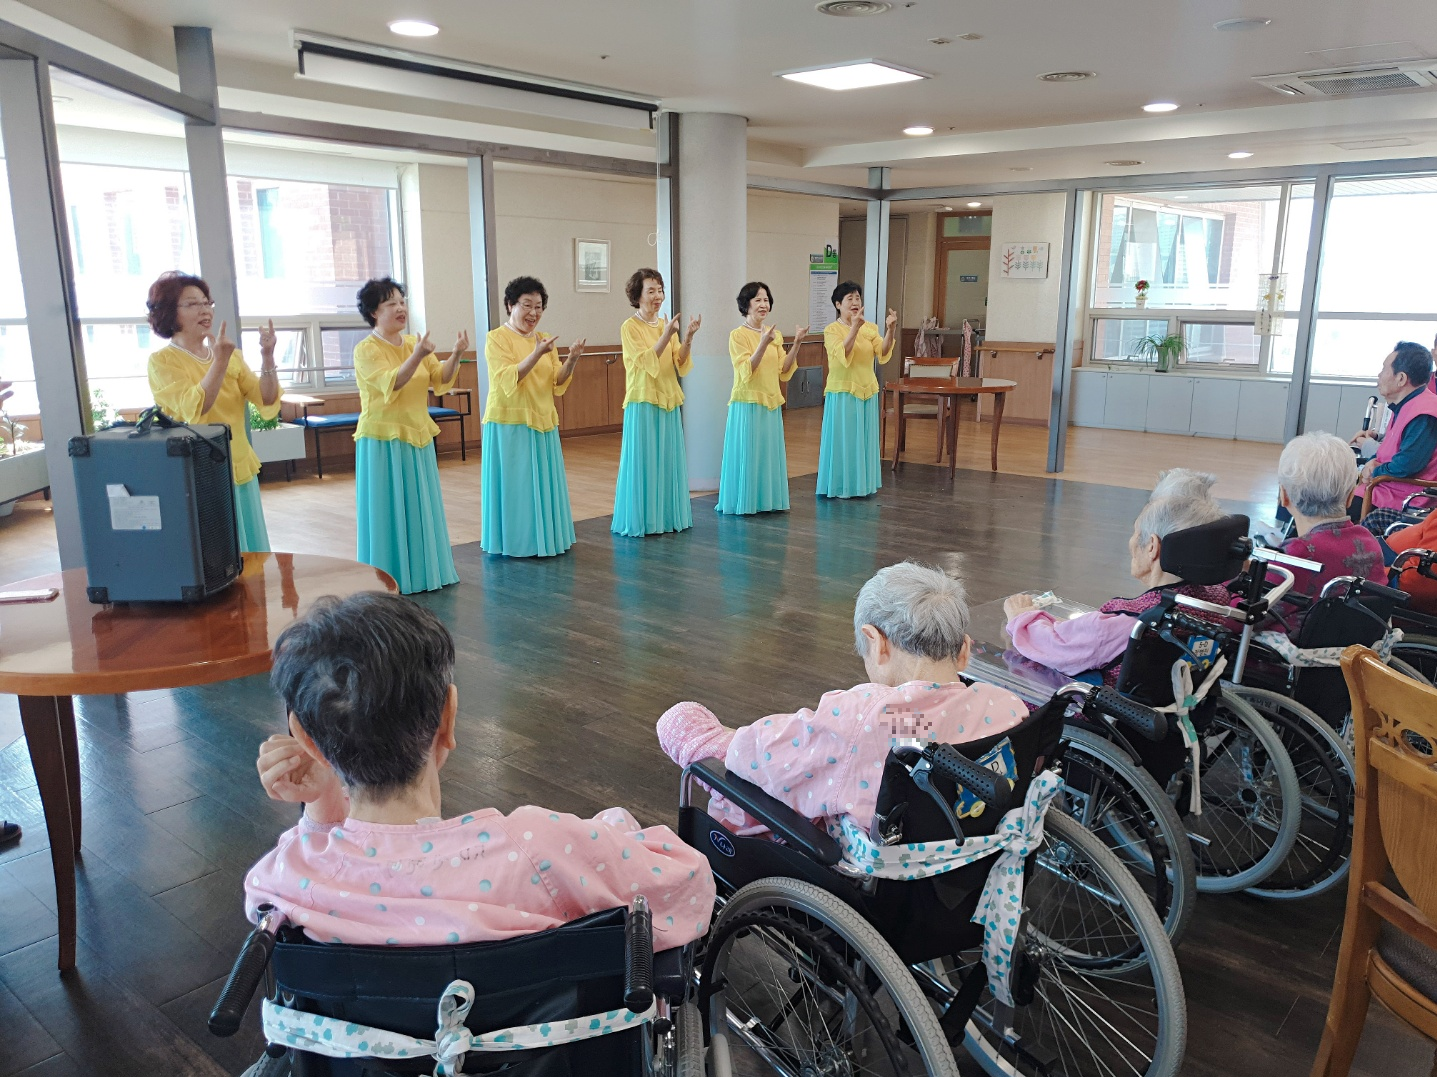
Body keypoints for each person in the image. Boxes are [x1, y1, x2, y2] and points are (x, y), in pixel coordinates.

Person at [245, 592, 715, 951]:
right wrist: (617, 833)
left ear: (306, 740)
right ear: (447, 719)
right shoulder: (539, 849)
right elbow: (690, 885)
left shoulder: (283, 883)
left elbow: (321, 860)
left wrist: (323, 803)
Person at [655, 561, 1028, 833]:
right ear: (964, 651)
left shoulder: (868, 716)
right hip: (969, 865)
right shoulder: (1008, 707)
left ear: (876, 642)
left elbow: (760, 758)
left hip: (878, 882)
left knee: (695, 735)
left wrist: (702, 735)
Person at [1003, 494, 1231, 680]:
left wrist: (1023, 617)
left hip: (1100, 709)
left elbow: (1054, 646)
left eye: (1136, 533)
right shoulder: (1219, 600)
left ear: (1152, 546)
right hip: (1176, 700)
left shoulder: (1126, 625)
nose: (1132, 542)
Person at [146, 272, 280, 552]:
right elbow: (194, 408)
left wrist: (267, 356)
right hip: (200, 470)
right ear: (169, 312)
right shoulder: (163, 362)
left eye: (207, 303)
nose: (205, 310)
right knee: (217, 554)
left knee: (251, 552)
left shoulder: (231, 356)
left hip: (238, 463)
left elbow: (266, 398)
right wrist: (219, 362)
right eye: (193, 304)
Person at [352, 278, 469, 595]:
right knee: (388, 511)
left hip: (417, 436)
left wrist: (456, 353)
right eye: (391, 303)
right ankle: (387, 578)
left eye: (402, 302)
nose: (400, 308)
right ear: (374, 312)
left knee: (420, 508)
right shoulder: (366, 349)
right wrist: (417, 355)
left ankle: (422, 571)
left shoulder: (412, 344)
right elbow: (393, 381)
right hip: (383, 441)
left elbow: (440, 379)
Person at [481, 277, 585, 558]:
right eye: (526, 305)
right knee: (517, 486)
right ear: (510, 305)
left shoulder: (544, 339)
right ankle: (518, 542)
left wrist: (572, 359)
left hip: (542, 420)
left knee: (541, 485)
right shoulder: (496, 338)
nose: (533, 313)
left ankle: (544, 539)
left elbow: (557, 381)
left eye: (538, 307)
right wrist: (537, 353)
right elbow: (507, 378)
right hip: (510, 423)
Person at [612, 269, 701, 538]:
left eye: (660, 290)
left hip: (668, 397)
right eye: (651, 291)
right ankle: (645, 519)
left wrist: (687, 337)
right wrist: (667, 333)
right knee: (645, 461)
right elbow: (645, 362)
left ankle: (667, 516)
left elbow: (679, 361)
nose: (657, 296)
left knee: (667, 460)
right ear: (637, 295)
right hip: (643, 399)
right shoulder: (629, 327)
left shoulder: (665, 324)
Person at [1265, 432, 1385, 631]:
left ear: (1283, 496)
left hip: (1290, 647)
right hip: (1356, 644)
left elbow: (1242, 616)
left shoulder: (1296, 556)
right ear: (1350, 497)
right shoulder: (1370, 542)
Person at [717, 282, 805, 516]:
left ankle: (767, 501)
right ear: (746, 304)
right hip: (747, 402)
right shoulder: (738, 335)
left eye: (766, 300)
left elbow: (784, 370)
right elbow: (746, 371)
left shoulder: (774, 335)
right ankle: (745, 502)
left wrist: (797, 343)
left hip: (771, 401)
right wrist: (763, 343)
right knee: (749, 454)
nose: (763, 304)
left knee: (767, 454)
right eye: (758, 300)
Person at [816, 281, 896, 500]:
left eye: (857, 298)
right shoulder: (832, 330)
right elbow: (843, 353)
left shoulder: (870, 328)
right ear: (838, 304)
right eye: (849, 298)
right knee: (845, 440)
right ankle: (840, 485)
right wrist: (854, 328)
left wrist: (891, 330)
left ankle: (862, 485)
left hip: (867, 391)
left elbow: (883, 351)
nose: (855, 302)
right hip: (843, 391)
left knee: (864, 441)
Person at [1350, 341, 1437, 536]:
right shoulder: (1405, 405)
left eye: (1384, 369)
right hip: (1385, 487)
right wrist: (1373, 462)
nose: (1379, 375)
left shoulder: (1424, 413)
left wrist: (1374, 470)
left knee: (1329, 510)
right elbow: (1390, 450)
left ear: (1401, 378)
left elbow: (1407, 464)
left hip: (1404, 497)